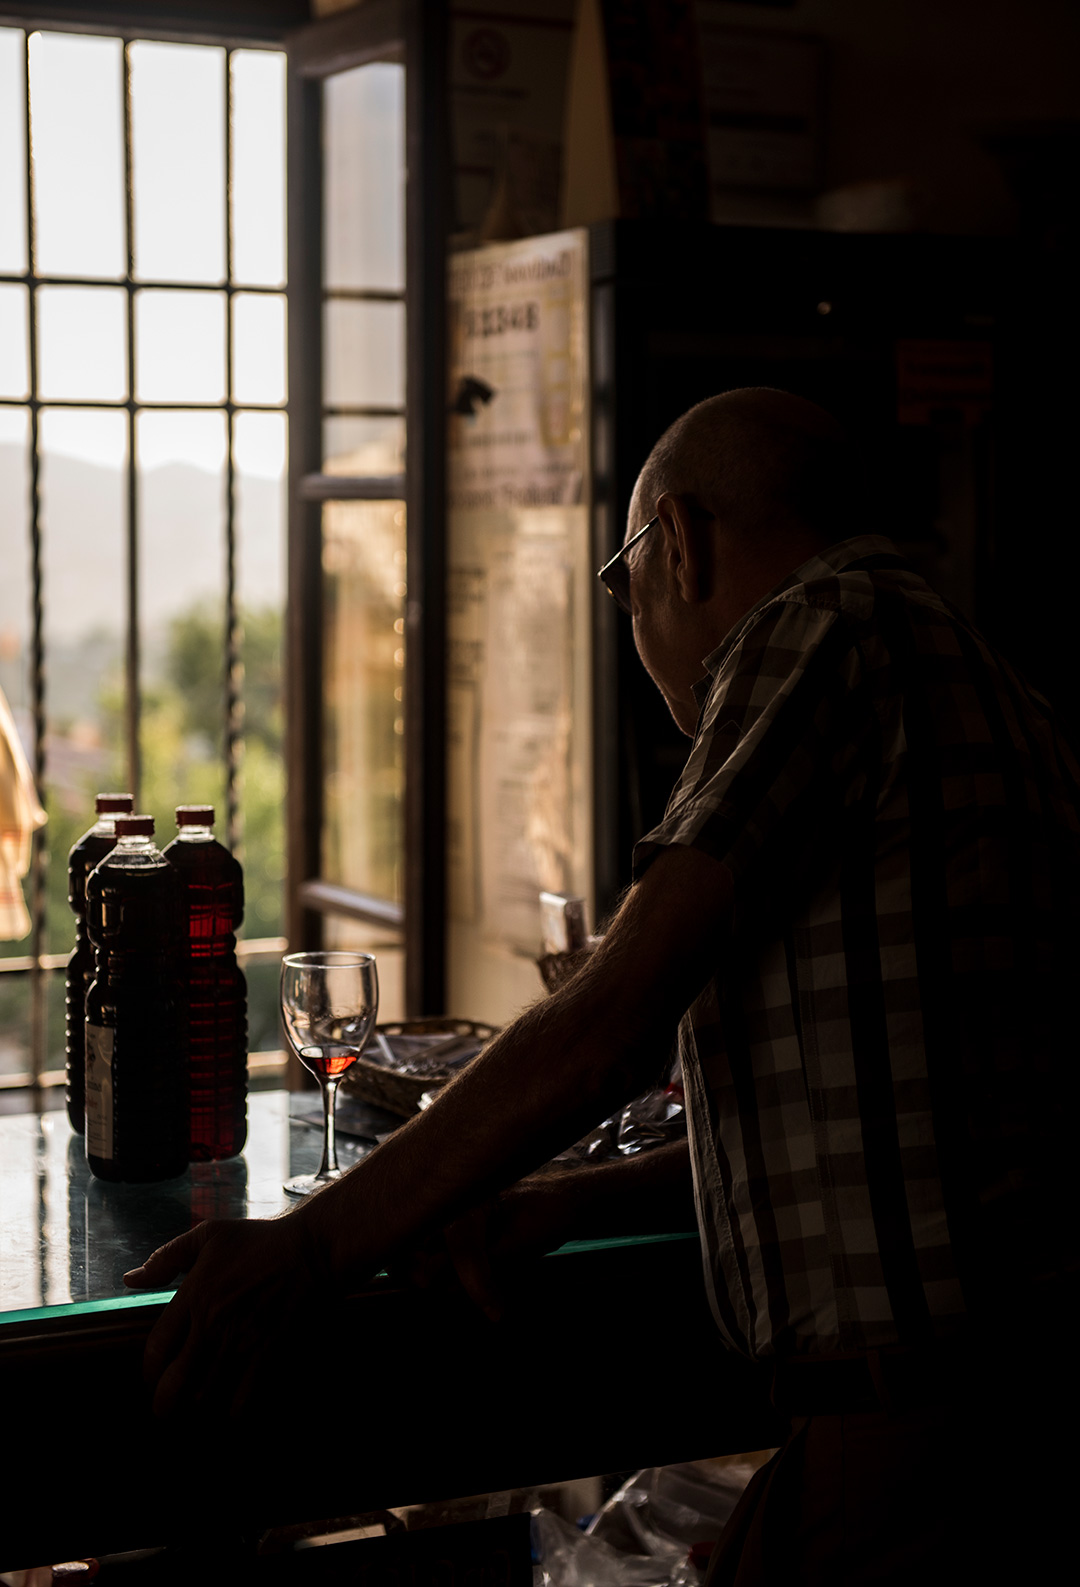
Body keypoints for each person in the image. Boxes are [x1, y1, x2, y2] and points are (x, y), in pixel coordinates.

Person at [126, 388, 1079, 1582]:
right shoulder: (990, 683)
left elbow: (610, 1025)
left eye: (623, 586)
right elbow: (890, 1124)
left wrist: (307, 1250)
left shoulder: (817, 630)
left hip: (912, 1435)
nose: (633, 626)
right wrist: (574, 1201)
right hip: (1007, 1410)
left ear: (677, 544)